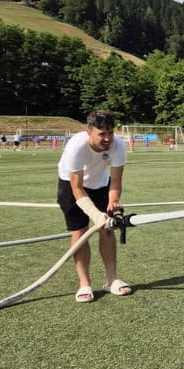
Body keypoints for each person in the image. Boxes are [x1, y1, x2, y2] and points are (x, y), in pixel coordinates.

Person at [57, 109, 131, 303]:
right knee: (80, 232)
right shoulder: (76, 147)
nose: (107, 138)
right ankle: (84, 283)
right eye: (102, 134)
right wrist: (95, 215)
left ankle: (111, 280)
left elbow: (116, 182)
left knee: (107, 229)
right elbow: (77, 188)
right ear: (89, 132)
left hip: (100, 184)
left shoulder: (118, 146)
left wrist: (112, 201)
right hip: (71, 186)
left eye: (110, 133)